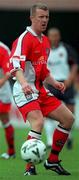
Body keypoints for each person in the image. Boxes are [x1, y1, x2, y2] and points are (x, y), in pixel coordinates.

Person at [10, 3, 74, 175]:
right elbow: (15, 65)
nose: (44, 20)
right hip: (24, 90)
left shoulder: (44, 40)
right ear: (32, 18)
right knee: (38, 122)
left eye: (46, 17)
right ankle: (29, 168)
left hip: (40, 89)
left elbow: (43, 70)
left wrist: (54, 83)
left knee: (68, 119)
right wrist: (23, 83)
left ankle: (52, 161)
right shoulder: (24, 39)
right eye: (41, 17)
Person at [44, 28, 78, 149]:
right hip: (52, 84)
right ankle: (49, 141)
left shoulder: (67, 49)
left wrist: (70, 79)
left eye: (56, 35)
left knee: (70, 114)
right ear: (48, 37)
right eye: (51, 35)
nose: (54, 37)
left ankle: (68, 137)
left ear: (59, 36)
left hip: (66, 84)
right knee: (48, 114)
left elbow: (74, 65)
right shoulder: (44, 49)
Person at [0, 41, 15, 159]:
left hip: (2, 91)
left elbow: (8, 72)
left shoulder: (3, 49)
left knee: (5, 120)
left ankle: (11, 151)